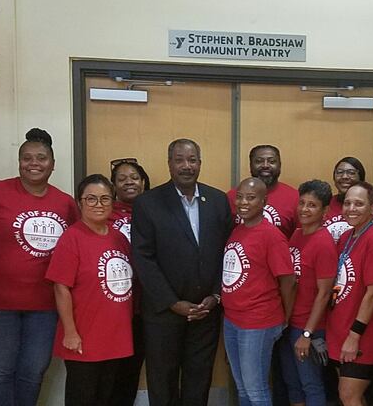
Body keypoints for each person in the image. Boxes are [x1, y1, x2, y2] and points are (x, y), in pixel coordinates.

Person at [0, 128, 79, 406]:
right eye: (27, 158)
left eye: (41, 158)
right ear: (18, 162)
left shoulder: (65, 203)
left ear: (53, 163)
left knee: (33, 372)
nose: (34, 163)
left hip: (46, 308)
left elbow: (77, 255)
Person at [132, 138, 232, 406]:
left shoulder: (218, 200)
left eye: (192, 160)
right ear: (169, 164)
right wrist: (173, 303)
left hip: (206, 311)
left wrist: (215, 295)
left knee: (199, 380)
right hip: (164, 312)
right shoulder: (147, 203)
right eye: (179, 160)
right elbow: (143, 258)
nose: (186, 166)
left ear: (200, 163)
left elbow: (227, 253)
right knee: (162, 381)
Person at [46, 174, 134, 406]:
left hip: (116, 336)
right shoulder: (72, 238)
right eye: (91, 199)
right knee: (83, 397)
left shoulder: (118, 238)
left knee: (108, 397)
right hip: (84, 336)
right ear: (80, 202)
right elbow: (60, 287)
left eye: (105, 199)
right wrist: (70, 332)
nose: (99, 205)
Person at [222, 177, 297, 406]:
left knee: (256, 390)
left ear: (264, 202)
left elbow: (288, 280)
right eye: (240, 197)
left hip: (258, 322)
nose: (243, 202)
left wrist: (284, 316)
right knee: (242, 388)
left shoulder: (271, 236)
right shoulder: (238, 231)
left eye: (251, 197)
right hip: (232, 319)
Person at [326, 182, 373, 406]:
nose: (351, 208)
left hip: (363, 333)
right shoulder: (347, 236)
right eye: (347, 203)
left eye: (359, 204)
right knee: (349, 396)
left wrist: (355, 336)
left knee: (349, 395)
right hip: (341, 327)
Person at [279, 180, 336, 406]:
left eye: (312, 205)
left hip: (309, 328)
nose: (304, 209)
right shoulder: (297, 234)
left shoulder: (323, 243)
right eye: (302, 203)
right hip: (290, 324)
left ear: (324, 211)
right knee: (293, 385)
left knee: (311, 385)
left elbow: (324, 293)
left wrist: (307, 334)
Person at [108, 158, 150, 405]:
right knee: (110, 368)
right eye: (121, 179)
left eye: (134, 177)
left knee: (132, 367)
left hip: (145, 304)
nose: (128, 183)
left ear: (143, 182)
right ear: (113, 186)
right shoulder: (104, 211)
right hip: (112, 303)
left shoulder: (154, 211)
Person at [228, 145, 299, 238]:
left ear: (280, 165)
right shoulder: (232, 196)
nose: (265, 165)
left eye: (272, 161)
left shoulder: (294, 197)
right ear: (250, 165)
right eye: (259, 161)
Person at [323, 157, 373, 243]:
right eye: (340, 172)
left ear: (361, 178)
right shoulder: (325, 204)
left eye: (351, 173)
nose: (344, 176)